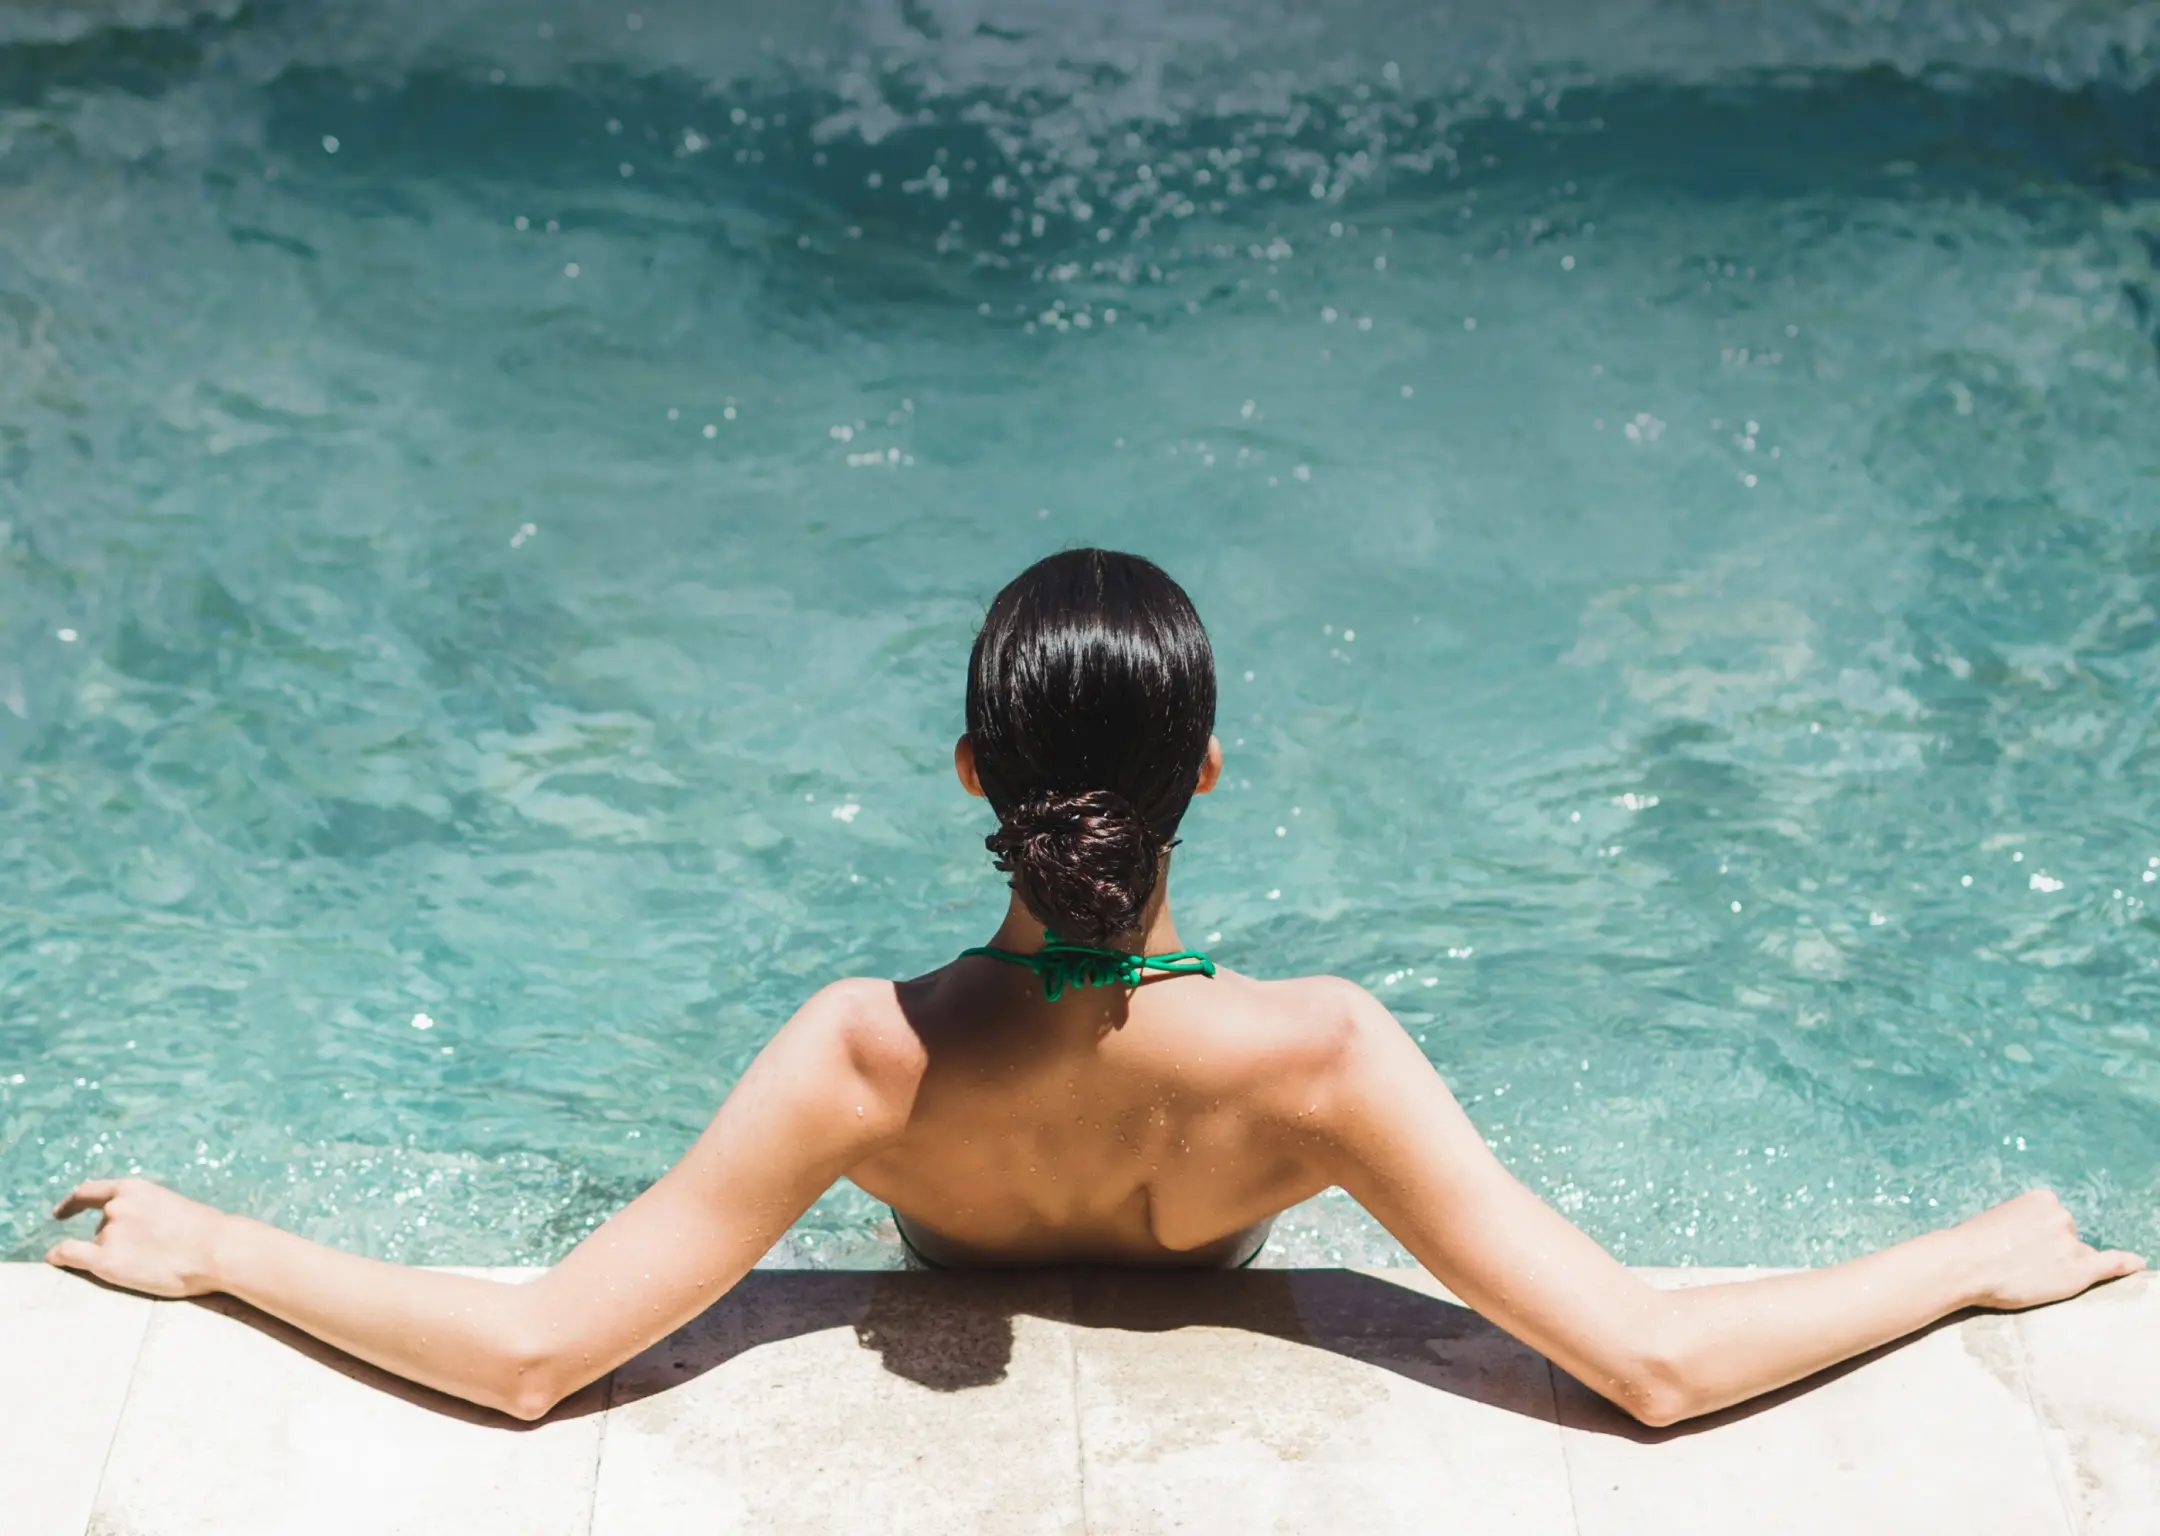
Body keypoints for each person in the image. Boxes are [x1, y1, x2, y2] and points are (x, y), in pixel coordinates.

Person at [44, 549, 2143, 1425]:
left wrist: (210, 1238)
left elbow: (529, 1358)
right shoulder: (1318, 1053)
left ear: (972, 777)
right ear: (1208, 774)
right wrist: (1973, 1256)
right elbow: (1647, 1361)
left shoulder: (863, 1050)